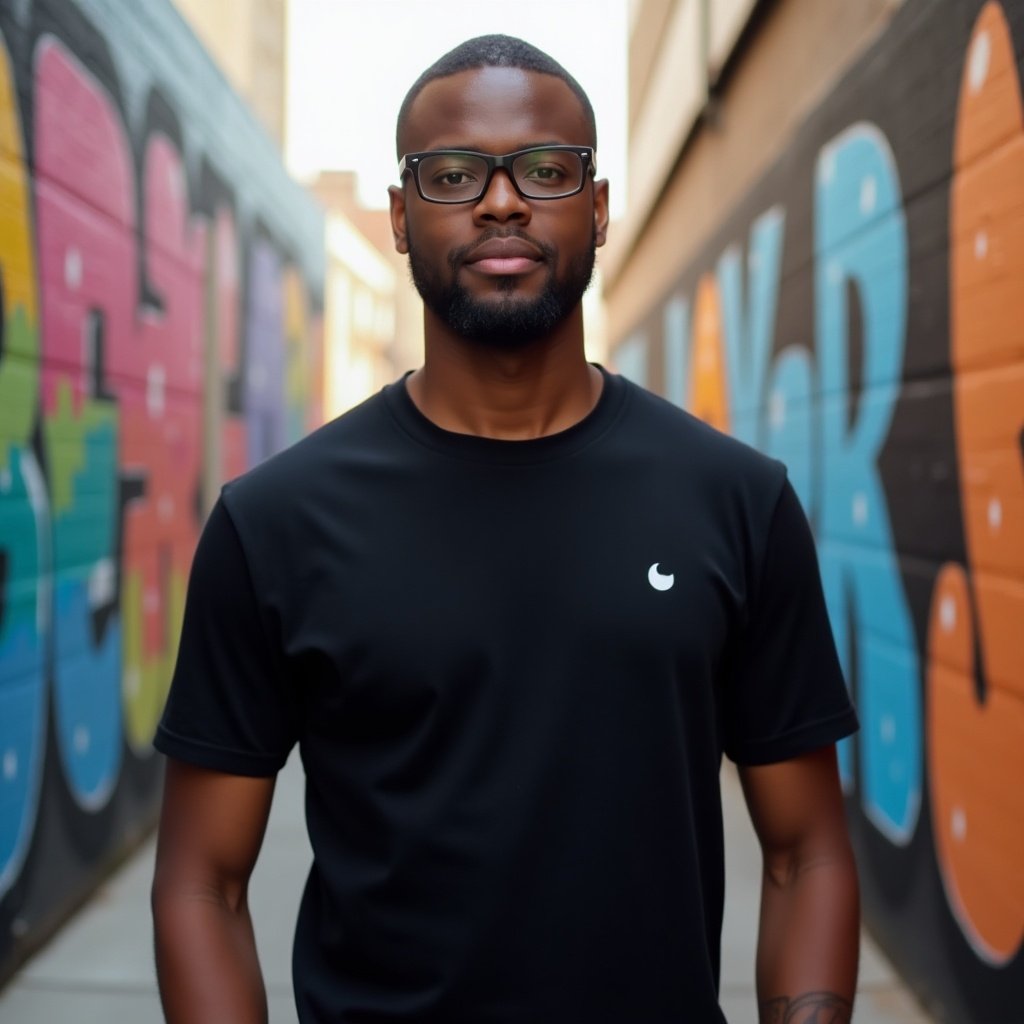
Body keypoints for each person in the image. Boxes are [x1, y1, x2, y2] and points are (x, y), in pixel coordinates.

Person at [151, 34, 860, 1024]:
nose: (499, 200)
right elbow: (200, 881)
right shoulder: (275, 523)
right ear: (398, 219)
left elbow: (806, 852)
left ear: (599, 208)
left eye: (544, 169)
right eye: (451, 174)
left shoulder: (735, 502)